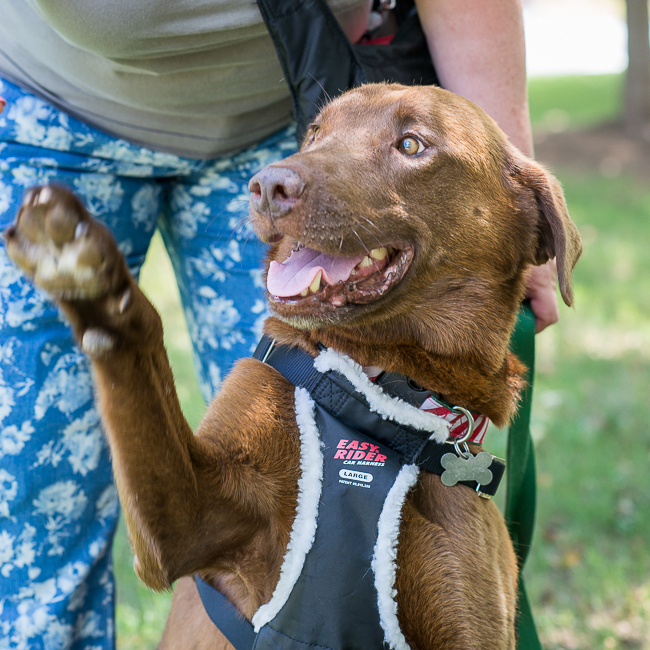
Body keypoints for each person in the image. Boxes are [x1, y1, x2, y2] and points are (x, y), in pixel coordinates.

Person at [0, 1, 557, 648]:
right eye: (321, 135)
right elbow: (172, 545)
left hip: (264, 117)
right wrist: (123, 338)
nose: (279, 186)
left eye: (410, 144)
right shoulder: (279, 371)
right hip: (47, 104)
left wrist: (521, 224)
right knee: (35, 512)